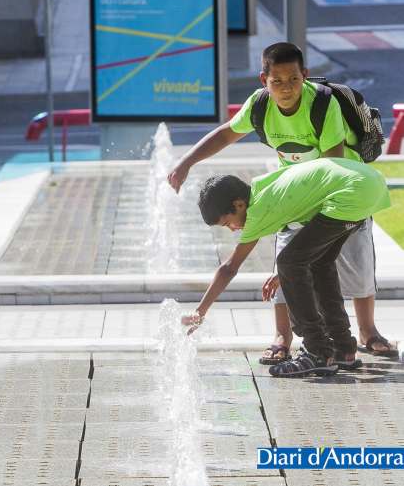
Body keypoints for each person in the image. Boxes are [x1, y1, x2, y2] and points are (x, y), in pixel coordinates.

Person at [168, 42, 397, 361]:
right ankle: (336, 347)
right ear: (264, 80)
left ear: (305, 75)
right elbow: (224, 134)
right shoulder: (260, 114)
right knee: (308, 262)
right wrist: (185, 163)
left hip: (342, 190)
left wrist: (200, 312)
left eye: (293, 80)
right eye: (277, 81)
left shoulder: (322, 105)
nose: (286, 88)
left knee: (292, 263)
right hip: (331, 191)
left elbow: (229, 267)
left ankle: (324, 348)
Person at [181, 158, 392, 377]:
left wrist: (200, 312)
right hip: (367, 181)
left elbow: (229, 268)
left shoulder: (257, 212)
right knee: (318, 261)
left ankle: (317, 350)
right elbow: (312, 234)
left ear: (239, 205)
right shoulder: (265, 187)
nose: (233, 229)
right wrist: (288, 269)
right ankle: (341, 346)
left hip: (351, 191)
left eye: (228, 223)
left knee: (287, 261)